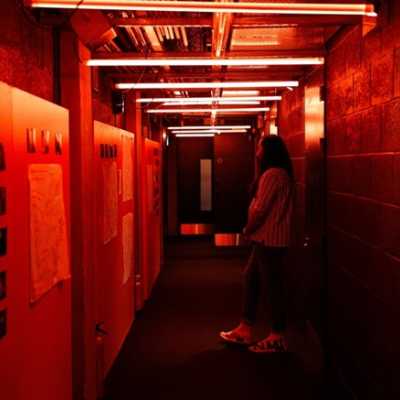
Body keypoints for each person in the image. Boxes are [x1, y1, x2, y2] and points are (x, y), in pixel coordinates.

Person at [220, 134, 294, 353]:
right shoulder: (279, 174)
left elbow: (260, 210)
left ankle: (277, 335)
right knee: (251, 279)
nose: (257, 151)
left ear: (269, 151)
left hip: (269, 240)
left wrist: (247, 229)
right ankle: (245, 328)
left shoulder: (272, 175)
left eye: (260, 147)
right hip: (267, 240)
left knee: (273, 288)